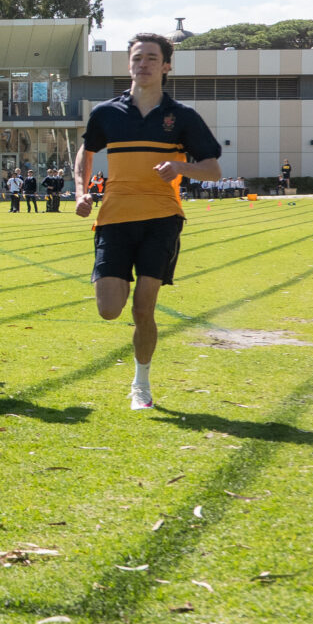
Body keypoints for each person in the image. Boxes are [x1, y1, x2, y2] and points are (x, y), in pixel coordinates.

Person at [74, 33, 223, 411]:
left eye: (152, 58)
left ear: (166, 66)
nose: (143, 64)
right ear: (129, 64)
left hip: (162, 218)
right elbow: (86, 151)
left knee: (144, 307)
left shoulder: (183, 117)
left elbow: (214, 170)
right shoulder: (106, 113)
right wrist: (81, 191)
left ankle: (141, 385)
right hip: (114, 217)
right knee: (109, 309)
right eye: (137, 58)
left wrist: (180, 166)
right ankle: (136, 364)